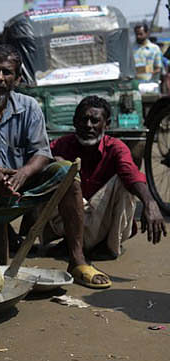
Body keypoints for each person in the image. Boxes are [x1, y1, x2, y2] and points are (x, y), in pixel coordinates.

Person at [0, 45, 103, 289]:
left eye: (6, 73)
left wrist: (23, 173)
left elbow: (41, 152)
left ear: (17, 79)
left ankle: (77, 259)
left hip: (22, 189)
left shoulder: (30, 106)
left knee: (67, 172)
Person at [49, 95, 166, 259]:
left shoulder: (116, 148)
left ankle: (108, 247)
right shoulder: (60, 146)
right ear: (75, 122)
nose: (89, 126)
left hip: (102, 221)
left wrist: (149, 202)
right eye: (84, 120)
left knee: (124, 183)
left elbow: (131, 175)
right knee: (51, 168)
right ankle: (72, 242)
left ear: (106, 124)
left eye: (95, 121)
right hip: (68, 220)